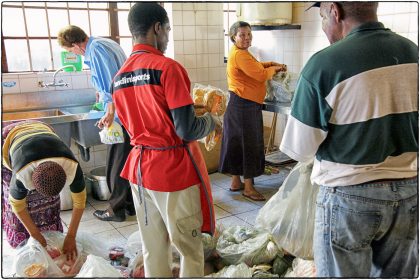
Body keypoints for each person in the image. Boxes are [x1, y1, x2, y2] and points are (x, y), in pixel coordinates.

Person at [280, 2, 418, 278]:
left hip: (349, 200)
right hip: (408, 196)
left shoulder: (324, 64)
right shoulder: (412, 53)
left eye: (321, 17)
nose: (323, 25)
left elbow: (300, 149)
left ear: (335, 11)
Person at [111, 3, 221, 277]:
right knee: (189, 249)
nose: (168, 37)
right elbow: (186, 129)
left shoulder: (120, 77)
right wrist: (211, 121)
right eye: (168, 30)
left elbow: (132, 123)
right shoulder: (168, 68)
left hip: (138, 169)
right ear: (157, 28)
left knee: (154, 248)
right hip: (171, 171)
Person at [57, 25, 135, 222]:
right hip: (126, 111)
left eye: (70, 50)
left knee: (115, 166)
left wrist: (109, 113)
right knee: (124, 161)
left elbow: (112, 84)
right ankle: (129, 205)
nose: (72, 54)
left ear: (76, 45)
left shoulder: (97, 50)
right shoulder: (104, 42)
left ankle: (116, 210)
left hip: (121, 115)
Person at [219, 21, 287, 201]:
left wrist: (270, 63)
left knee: (236, 143)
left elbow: (255, 67)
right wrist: (274, 68)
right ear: (234, 37)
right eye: (242, 35)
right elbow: (260, 74)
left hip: (238, 104)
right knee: (249, 144)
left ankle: (236, 182)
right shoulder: (240, 55)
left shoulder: (239, 52)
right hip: (244, 106)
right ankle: (248, 188)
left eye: (249, 34)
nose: (247, 38)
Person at [2, 120, 86, 260]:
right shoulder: (21, 174)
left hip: (42, 129)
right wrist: (36, 236)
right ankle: (21, 243)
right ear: (31, 180)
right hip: (9, 136)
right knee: (12, 201)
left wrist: (71, 236)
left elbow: (80, 201)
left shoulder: (71, 166)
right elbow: (17, 205)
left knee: (49, 204)